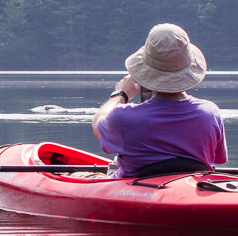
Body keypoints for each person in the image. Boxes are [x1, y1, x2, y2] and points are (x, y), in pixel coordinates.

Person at [91, 23, 227, 178]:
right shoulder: (210, 113)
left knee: (83, 175)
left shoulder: (122, 117)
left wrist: (121, 95)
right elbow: (219, 159)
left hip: (133, 191)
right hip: (191, 188)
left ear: (145, 72)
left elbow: (97, 127)